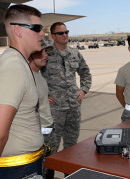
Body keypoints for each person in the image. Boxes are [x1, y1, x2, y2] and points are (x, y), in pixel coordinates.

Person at [41, 22, 92, 179]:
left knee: (72, 147)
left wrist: (83, 90)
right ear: (54, 36)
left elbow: (85, 73)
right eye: (61, 33)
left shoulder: (75, 53)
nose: (65, 35)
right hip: (54, 110)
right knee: (50, 148)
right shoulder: (45, 54)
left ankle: (69, 175)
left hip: (73, 109)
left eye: (66, 32)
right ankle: (46, 176)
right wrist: (41, 96)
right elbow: (32, 75)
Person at [0, 4, 45, 179]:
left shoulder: (18, 61)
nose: (43, 33)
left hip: (24, 165)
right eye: (37, 28)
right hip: (17, 169)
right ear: (18, 31)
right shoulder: (14, 66)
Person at [29, 41, 54, 136]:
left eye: (46, 51)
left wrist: (44, 99)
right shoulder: (27, 78)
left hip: (47, 126)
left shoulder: (39, 76)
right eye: (41, 51)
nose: (46, 55)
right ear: (30, 54)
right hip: (37, 131)